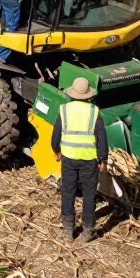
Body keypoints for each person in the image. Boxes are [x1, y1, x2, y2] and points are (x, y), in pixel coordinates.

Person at [52, 76, 108, 244]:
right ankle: (87, 232)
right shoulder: (94, 111)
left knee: (68, 192)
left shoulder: (64, 110)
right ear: (88, 95)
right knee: (89, 195)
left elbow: (56, 134)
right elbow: (102, 138)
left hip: (68, 158)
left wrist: (56, 150)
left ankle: (68, 231)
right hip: (89, 160)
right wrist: (102, 158)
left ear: (72, 93)